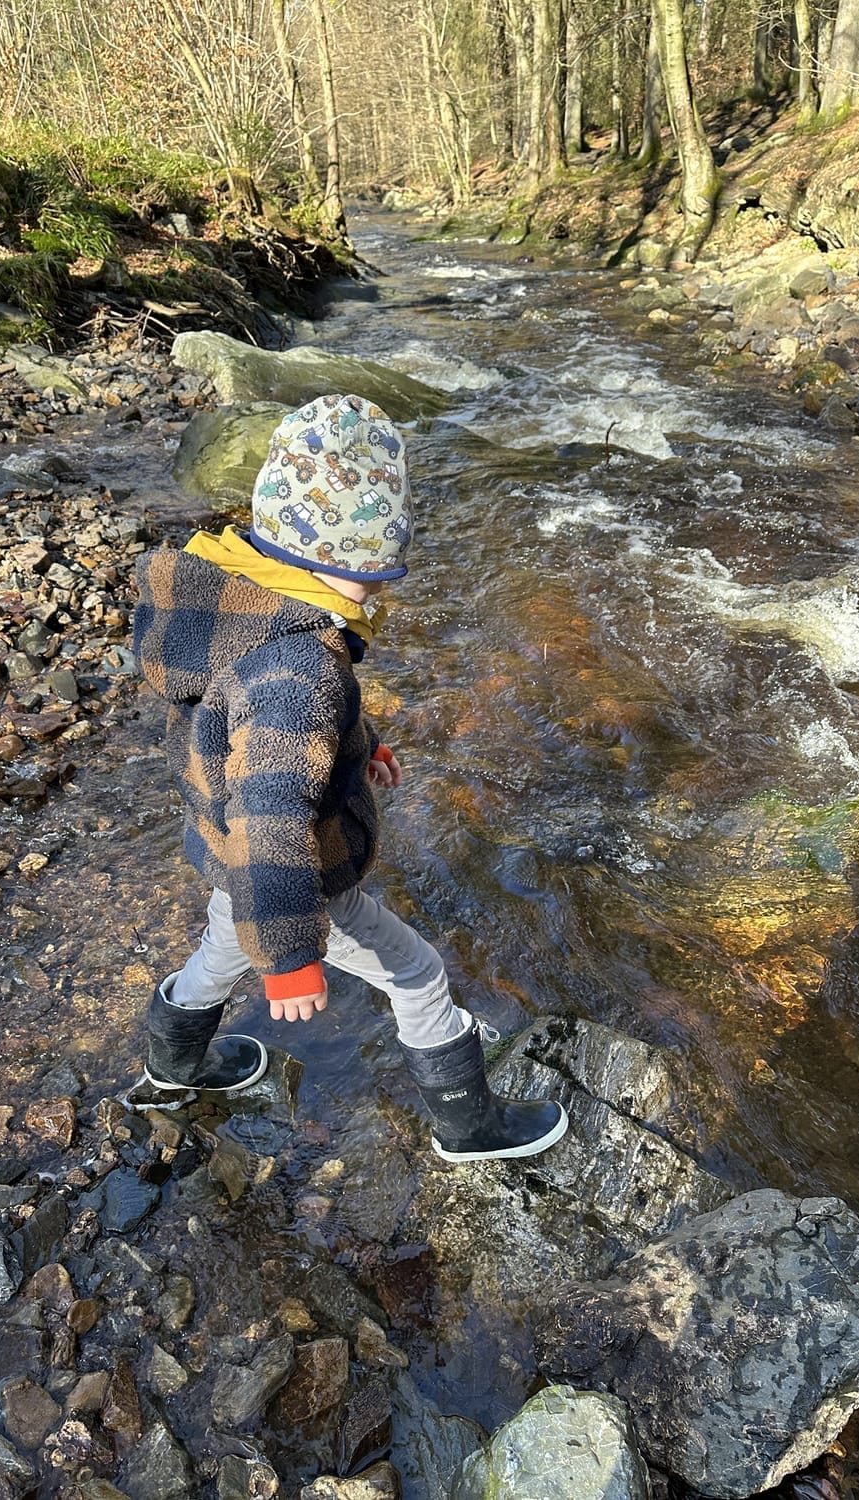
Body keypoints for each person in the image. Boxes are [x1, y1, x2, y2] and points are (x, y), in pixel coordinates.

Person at [129, 393, 567, 1162]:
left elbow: (249, 733)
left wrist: (360, 743)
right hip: (300, 876)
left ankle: (172, 1067)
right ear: (331, 565)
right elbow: (272, 812)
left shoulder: (239, 602)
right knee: (418, 975)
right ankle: (469, 1128)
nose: (376, 594)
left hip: (222, 851)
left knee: (221, 946)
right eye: (367, 578)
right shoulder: (300, 664)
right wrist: (294, 956)